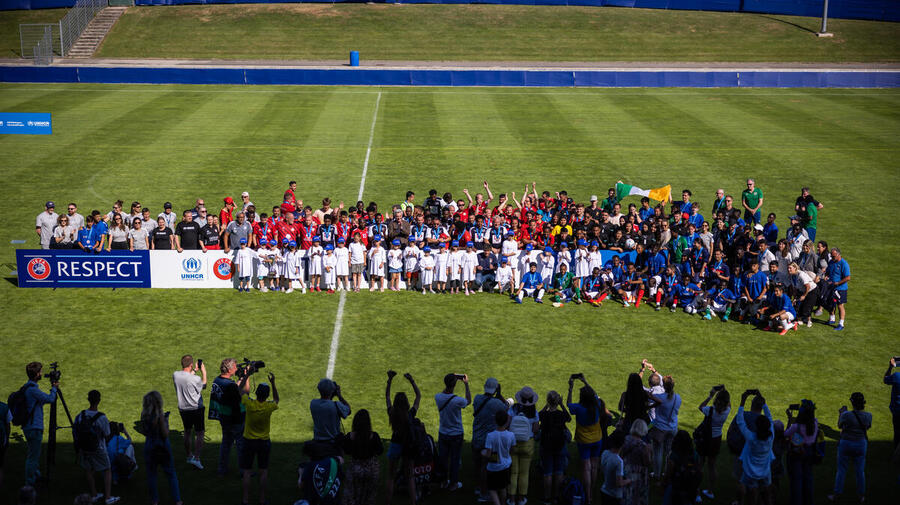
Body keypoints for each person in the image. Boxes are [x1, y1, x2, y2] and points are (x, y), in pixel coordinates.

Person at [567, 374, 610, 505]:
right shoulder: (597, 404)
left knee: (586, 468)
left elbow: (568, 404)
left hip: (584, 441)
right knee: (594, 466)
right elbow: (594, 394)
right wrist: (585, 381)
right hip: (597, 439)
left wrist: (570, 388)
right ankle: (592, 490)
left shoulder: (579, 408)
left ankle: (589, 495)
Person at [73, 390, 119, 504]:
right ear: (99, 400)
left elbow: (75, 431)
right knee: (107, 469)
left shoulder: (80, 415)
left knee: (88, 469)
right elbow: (107, 434)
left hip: (84, 448)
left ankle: (94, 494)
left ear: (88, 399)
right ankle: (108, 498)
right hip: (98, 448)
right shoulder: (102, 417)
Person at [240, 372, 278, 505]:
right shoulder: (269, 407)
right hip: (263, 443)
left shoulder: (249, 404)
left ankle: (245, 500)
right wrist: (273, 383)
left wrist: (247, 375)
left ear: (256, 393)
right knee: (263, 472)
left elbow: (240, 391)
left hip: (249, 441)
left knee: (247, 471)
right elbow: (277, 400)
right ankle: (262, 500)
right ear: (267, 395)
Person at [385, 371, 421, 505]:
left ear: (395, 404)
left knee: (391, 476)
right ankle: (413, 502)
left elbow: (387, 396)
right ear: (406, 403)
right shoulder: (410, 414)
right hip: (408, 446)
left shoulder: (392, 413)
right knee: (410, 476)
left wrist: (389, 380)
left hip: (395, 444)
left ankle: (388, 502)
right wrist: (411, 380)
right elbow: (418, 396)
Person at [140, 391, 182, 505]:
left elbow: (144, 432)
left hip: (149, 445)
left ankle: (154, 500)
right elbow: (165, 434)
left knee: (151, 474)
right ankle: (177, 500)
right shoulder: (160, 417)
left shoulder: (144, 416)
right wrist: (165, 422)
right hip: (162, 445)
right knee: (171, 473)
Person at [20, 362, 58, 486]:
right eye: (40, 372)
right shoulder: (32, 390)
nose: (42, 374)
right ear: (36, 374)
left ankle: (35, 476)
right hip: (34, 427)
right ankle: (29, 484)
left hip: (30, 426)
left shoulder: (28, 387)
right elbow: (51, 399)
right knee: (33, 457)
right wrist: (54, 387)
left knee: (33, 454)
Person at [828, 392, 871, 503]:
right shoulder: (868, 416)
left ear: (852, 402)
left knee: (841, 470)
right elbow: (867, 427)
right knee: (860, 471)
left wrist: (841, 413)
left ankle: (837, 494)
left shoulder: (847, 415)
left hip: (846, 443)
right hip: (861, 444)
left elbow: (839, 425)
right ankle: (861, 496)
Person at [735, 390, 774, 505]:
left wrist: (743, 401)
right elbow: (770, 418)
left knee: (751, 495)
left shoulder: (751, 438)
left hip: (750, 472)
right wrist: (764, 403)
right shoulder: (771, 436)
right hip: (765, 471)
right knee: (767, 496)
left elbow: (740, 421)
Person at [209, 358, 245, 477]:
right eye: (235, 366)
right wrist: (246, 377)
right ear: (229, 369)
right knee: (240, 444)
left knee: (226, 444)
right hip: (235, 419)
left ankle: (222, 469)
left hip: (223, 418)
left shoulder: (217, 380)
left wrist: (240, 380)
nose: (237, 368)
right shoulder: (230, 385)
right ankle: (243, 471)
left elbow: (230, 390)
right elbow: (239, 397)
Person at [435, 373, 471, 490]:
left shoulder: (438, 397)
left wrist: (451, 379)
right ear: (455, 385)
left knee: (443, 459)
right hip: (456, 434)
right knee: (455, 459)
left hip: (443, 433)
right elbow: (468, 400)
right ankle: (453, 484)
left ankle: (443, 481)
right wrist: (466, 384)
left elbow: (443, 393)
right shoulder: (458, 400)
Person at [340, 409, 383, 505]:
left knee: (352, 496)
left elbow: (346, 451)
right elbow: (380, 451)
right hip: (371, 470)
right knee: (369, 497)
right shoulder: (374, 436)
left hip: (355, 469)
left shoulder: (350, 436)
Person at [172, 355, 207, 469]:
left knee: (187, 432)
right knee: (200, 433)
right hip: (196, 409)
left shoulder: (176, 375)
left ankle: (189, 456)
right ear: (191, 364)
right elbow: (204, 385)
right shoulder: (195, 379)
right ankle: (196, 458)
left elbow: (187, 377)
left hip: (183, 409)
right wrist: (203, 372)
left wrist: (195, 370)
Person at [696, 386, 731, 500]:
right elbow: (728, 404)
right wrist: (724, 392)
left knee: (700, 464)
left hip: (705, 438)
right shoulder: (727, 411)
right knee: (712, 466)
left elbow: (700, 407)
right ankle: (711, 491)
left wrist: (710, 395)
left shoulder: (709, 410)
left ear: (716, 400)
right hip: (716, 439)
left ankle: (696, 492)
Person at [507, 387, 539, 505]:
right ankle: (521, 499)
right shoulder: (534, 412)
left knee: (514, 472)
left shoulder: (513, 409)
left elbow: (507, 424)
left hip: (513, 443)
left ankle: (511, 498)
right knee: (524, 473)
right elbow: (536, 430)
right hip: (528, 444)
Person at [785, 400, 819, 505]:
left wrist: (790, 419)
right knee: (808, 478)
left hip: (797, 453)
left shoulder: (796, 427)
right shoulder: (815, 423)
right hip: (809, 452)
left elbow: (786, 434)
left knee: (797, 480)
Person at [649, 375, 681, 480]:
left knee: (658, 452)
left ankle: (657, 474)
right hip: (672, 428)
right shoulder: (678, 397)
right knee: (668, 452)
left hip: (660, 428)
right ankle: (666, 473)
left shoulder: (660, 397)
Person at [483, 411, 516, 505]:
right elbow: (512, 450)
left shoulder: (490, 436)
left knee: (492, 489)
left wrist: (483, 453)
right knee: (503, 487)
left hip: (493, 466)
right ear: (506, 422)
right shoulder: (511, 435)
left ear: (495, 421)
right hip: (506, 465)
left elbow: (488, 454)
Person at [661, 430, 700, 505]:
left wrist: (663, 484)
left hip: (676, 486)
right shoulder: (695, 454)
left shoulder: (674, 455)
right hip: (690, 485)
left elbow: (668, 473)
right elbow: (698, 469)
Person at [310, 378, 351, 445]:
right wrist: (339, 395)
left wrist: (331, 394)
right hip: (333, 443)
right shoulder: (337, 405)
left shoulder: (313, 403)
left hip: (317, 442)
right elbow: (348, 411)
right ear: (332, 391)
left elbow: (327, 404)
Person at [619, 419, 651, 505]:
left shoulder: (625, 440)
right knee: (636, 495)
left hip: (625, 469)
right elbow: (647, 463)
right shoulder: (644, 446)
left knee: (626, 494)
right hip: (638, 474)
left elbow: (620, 456)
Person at [600, 430, 632, 505]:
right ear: (622, 444)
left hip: (604, 490)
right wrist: (629, 480)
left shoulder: (605, 453)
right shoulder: (619, 461)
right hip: (614, 495)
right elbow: (619, 483)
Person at [825, 247, 851, 331]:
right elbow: (828, 272)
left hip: (840, 288)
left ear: (838, 254)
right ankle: (832, 318)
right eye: (831, 256)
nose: (832, 258)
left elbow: (848, 277)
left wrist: (838, 283)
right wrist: (826, 277)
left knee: (840, 305)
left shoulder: (844, 264)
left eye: (833, 256)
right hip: (831, 286)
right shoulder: (831, 262)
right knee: (830, 303)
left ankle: (841, 323)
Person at [885, 357, 900, 450]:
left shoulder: (897, 376)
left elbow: (886, 379)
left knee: (897, 433)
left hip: (897, 410)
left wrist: (890, 367)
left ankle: (896, 455)